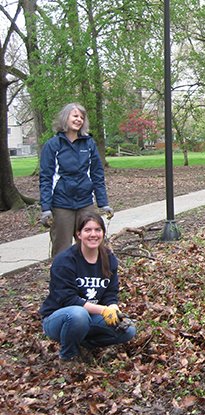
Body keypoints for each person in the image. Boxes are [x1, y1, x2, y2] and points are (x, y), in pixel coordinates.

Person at [40, 211, 136, 361]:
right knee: (79, 315)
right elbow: (68, 300)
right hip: (60, 318)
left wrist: (113, 307)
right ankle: (68, 356)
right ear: (79, 234)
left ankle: (83, 344)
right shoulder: (65, 261)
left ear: (103, 233)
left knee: (128, 330)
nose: (93, 234)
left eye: (98, 230)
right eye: (87, 230)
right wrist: (103, 310)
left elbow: (111, 293)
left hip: (91, 316)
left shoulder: (109, 259)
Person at [39, 103, 113, 258]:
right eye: (75, 116)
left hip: (85, 202)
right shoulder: (53, 145)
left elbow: (97, 175)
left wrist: (103, 203)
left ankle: (89, 278)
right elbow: (46, 178)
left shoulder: (89, 143)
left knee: (91, 245)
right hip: (61, 205)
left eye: (81, 117)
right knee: (62, 250)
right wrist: (46, 208)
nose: (78, 119)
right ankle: (62, 281)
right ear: (65, 118)